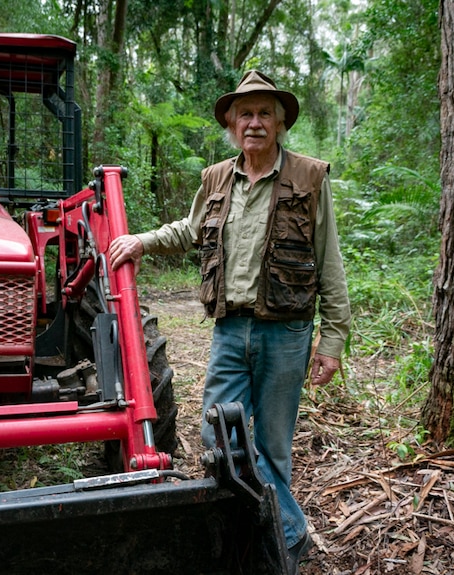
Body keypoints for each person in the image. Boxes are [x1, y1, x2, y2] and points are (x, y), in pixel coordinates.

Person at [109, 70, 351, 574]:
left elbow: (329, 261)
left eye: (265, 113)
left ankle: (264, 551)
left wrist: (333, 339)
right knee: (219, 435)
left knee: (273, 448)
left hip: (286, 332)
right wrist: (140, 241)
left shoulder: (309, 177)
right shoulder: (217, 177)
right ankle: (289, 532)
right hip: (229, 330)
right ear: (231, 124)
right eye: (246, 114)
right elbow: (190, 229)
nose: (255, 123)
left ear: (280, 122)